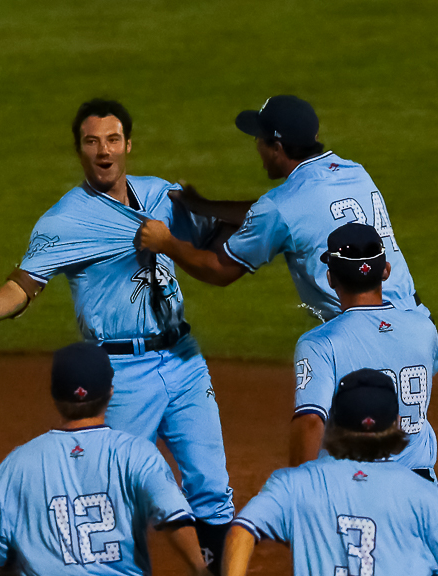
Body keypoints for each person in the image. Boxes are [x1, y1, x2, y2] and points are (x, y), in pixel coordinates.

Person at [0, 98, 235, 574]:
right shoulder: (65, 220)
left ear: (128, 144)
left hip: (185, 360)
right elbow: (24, 286)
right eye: (92, 142)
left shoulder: (160, 195)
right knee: (111, 490)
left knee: (212, 487)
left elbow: (218, 239)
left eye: (112, 140)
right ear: (79, 151)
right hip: (122, 372)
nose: (103, 151)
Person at [135, 94, 429, 322]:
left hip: (362, 335)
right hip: (414, 325)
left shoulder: (280, 208)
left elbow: (219, 269)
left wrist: (167, 243)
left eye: (258, 139)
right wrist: (206, 206)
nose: (256, 147)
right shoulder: (354, 171)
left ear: (277, 148)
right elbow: (288, 214)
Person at [0, 342, 212, 576]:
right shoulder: (138, 453)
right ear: (110, 391)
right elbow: (174, 515)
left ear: (54, 395)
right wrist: (199, 568)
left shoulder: (16, 465)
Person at [223, 369, 438, 576]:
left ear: (333, 422)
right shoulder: (424, 495)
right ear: (396, 422)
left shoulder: (294, 484)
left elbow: (240, 532)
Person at [289, 222, 437, 479]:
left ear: (331, 278)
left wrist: (296, 495)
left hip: (356, 490)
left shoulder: (319, 343)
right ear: (386, 271)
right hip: (421, 486)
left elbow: (311, 422)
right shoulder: (424, 329)